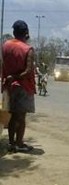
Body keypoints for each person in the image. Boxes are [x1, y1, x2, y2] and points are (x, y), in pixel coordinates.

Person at [1, 20, 36, 152]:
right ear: (26, 33)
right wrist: (15, 77)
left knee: (13, 115)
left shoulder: (5, 46)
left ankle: (11, 143)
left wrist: (8, 79)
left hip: (9, 86)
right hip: (23, 87)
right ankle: (19, 143)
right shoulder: (28, 49)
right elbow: (28, 71)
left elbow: (3, 65)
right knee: (21, 117)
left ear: (14, 32)